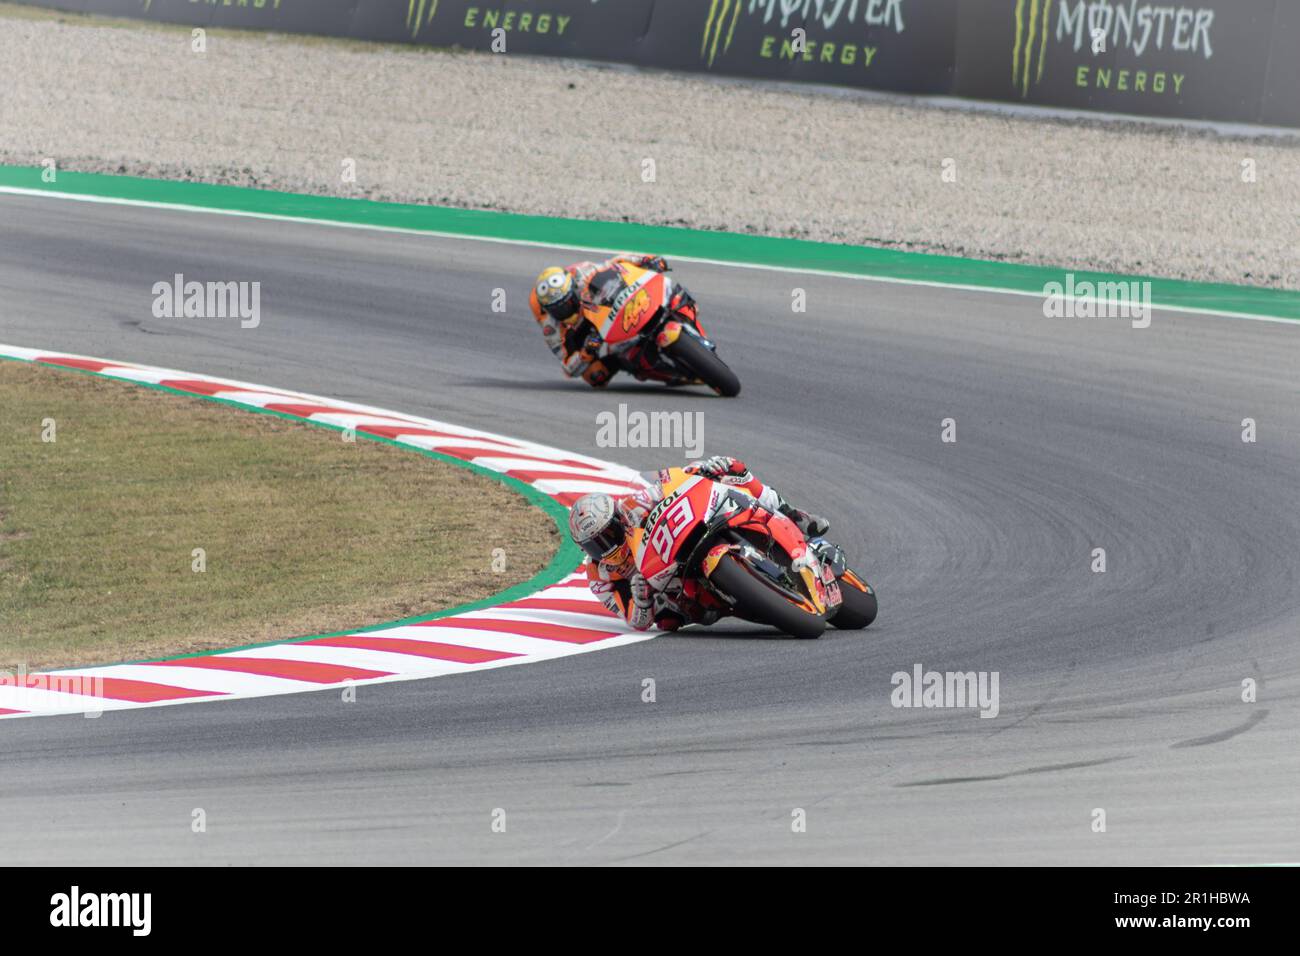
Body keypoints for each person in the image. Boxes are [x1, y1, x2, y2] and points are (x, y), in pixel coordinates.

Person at [569, 456, 829, 631]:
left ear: (618, 518)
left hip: (689, 532)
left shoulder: (634, 505)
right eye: (596, 544)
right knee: (667, 620)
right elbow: (637, 622)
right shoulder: (599, 577)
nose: (607, 545)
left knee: (731, 468)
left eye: (609, 533)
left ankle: (793, 513)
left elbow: (669, 482)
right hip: (675, 585)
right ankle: (737, 599)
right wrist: (640, 599)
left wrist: (700, 469)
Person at [529, 253, 671, 387]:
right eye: (557, 309)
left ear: (572, 291)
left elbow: (616, 263)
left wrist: (646, 260)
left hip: (598, 304)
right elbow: (568, 368)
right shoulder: (549, 324)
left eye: (567, 303)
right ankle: (625, 361)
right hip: (583, 328)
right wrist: (586, 352)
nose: (564, 310)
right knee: (595, 376)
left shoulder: (581, 274)